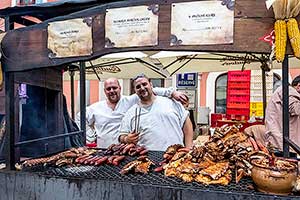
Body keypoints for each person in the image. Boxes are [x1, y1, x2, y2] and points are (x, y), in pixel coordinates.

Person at [76, 77, 188, 148]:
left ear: (120, 88)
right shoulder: (96, 108)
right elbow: (79, 117)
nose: (112, 91)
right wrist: (91, 136)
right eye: (108, 89)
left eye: (114, 87)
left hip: (124, 151)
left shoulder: (130, 100)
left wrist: (172, 92)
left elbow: (148, 90)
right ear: (104, 91)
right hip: (103, 149)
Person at [118, 74, 193, 151]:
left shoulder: (170, 102)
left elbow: (186, 124)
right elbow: (121, 135)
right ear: (135, 91)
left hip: (175, 156)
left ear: (151, 85)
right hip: (146, 159)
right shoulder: (131, 112)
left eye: (144, 84)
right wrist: (127, 139)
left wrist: (189, 148)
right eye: (138, 87)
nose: (142, 88)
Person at [265, 75, 300, 151]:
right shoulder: (289, 91)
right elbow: (296, 109)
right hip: (282, 141)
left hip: (277, 138)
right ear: (299, 86)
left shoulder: (284, 91)